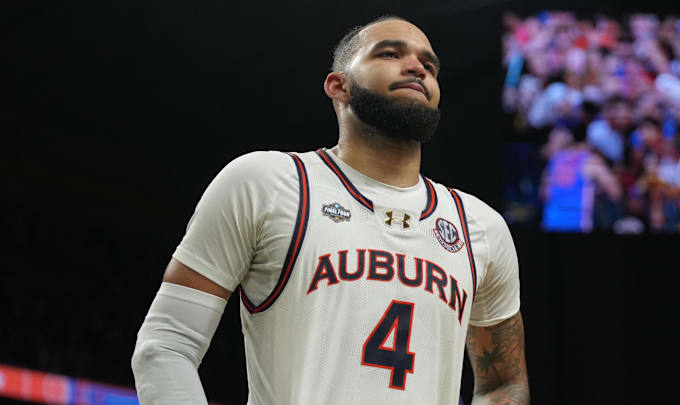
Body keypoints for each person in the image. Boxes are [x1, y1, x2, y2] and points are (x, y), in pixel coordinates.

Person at [131, 16, 529, 405]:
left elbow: (502, 384)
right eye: (390, 54)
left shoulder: (481, 227)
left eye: (429, 65)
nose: (417, 68)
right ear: (339, 86)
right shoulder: (266, 183)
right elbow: (166, 343)